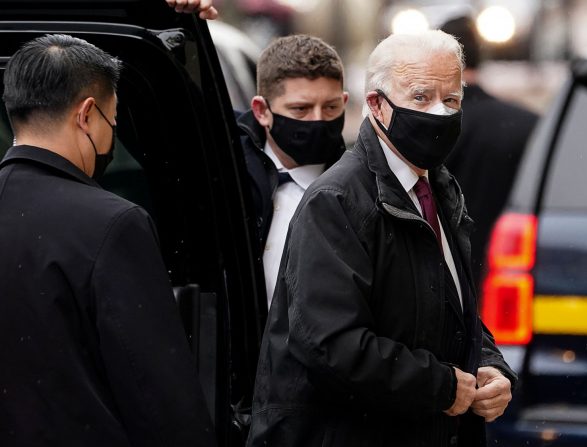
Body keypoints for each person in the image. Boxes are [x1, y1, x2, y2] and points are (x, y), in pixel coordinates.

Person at [246, 30, 517, 447]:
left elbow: (446, 307)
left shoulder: (438, 187)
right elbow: (330, 344)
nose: (440, 114)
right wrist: (441, 386)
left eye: (452, 100)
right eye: (421, 98)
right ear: (376, 106)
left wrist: (489, 366)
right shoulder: (338, 200)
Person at [0, 34, 216, 447]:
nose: (111, 136)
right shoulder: (113, 224)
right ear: (87, 114)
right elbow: (158, 393)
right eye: (112, 121)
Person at [235, 34, 348, 308]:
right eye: (301, 109)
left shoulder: (358, 187)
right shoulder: (230, 164)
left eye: (331, 107)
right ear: (262, 110)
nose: (319, 120)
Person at [440, 16, 539, 286]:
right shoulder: (527, 124)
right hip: (511, 274)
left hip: (445, 282)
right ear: (480, 55)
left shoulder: (425, 129)